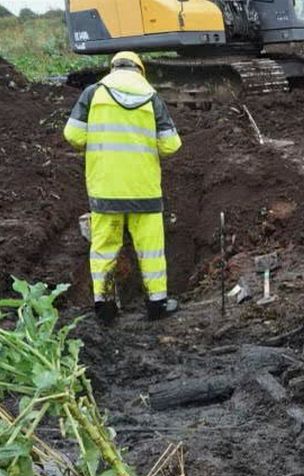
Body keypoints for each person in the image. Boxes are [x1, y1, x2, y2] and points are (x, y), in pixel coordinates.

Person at [63, 51, 182, 325]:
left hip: (105, 189)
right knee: (151, 250)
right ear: (140, 70)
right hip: (145, 190)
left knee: (104, 248)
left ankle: (104, 308)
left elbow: (73, 135)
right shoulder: (152, 97)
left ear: (113, 68)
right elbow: (171, 144)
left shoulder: (93, 93)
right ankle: (157, 305)